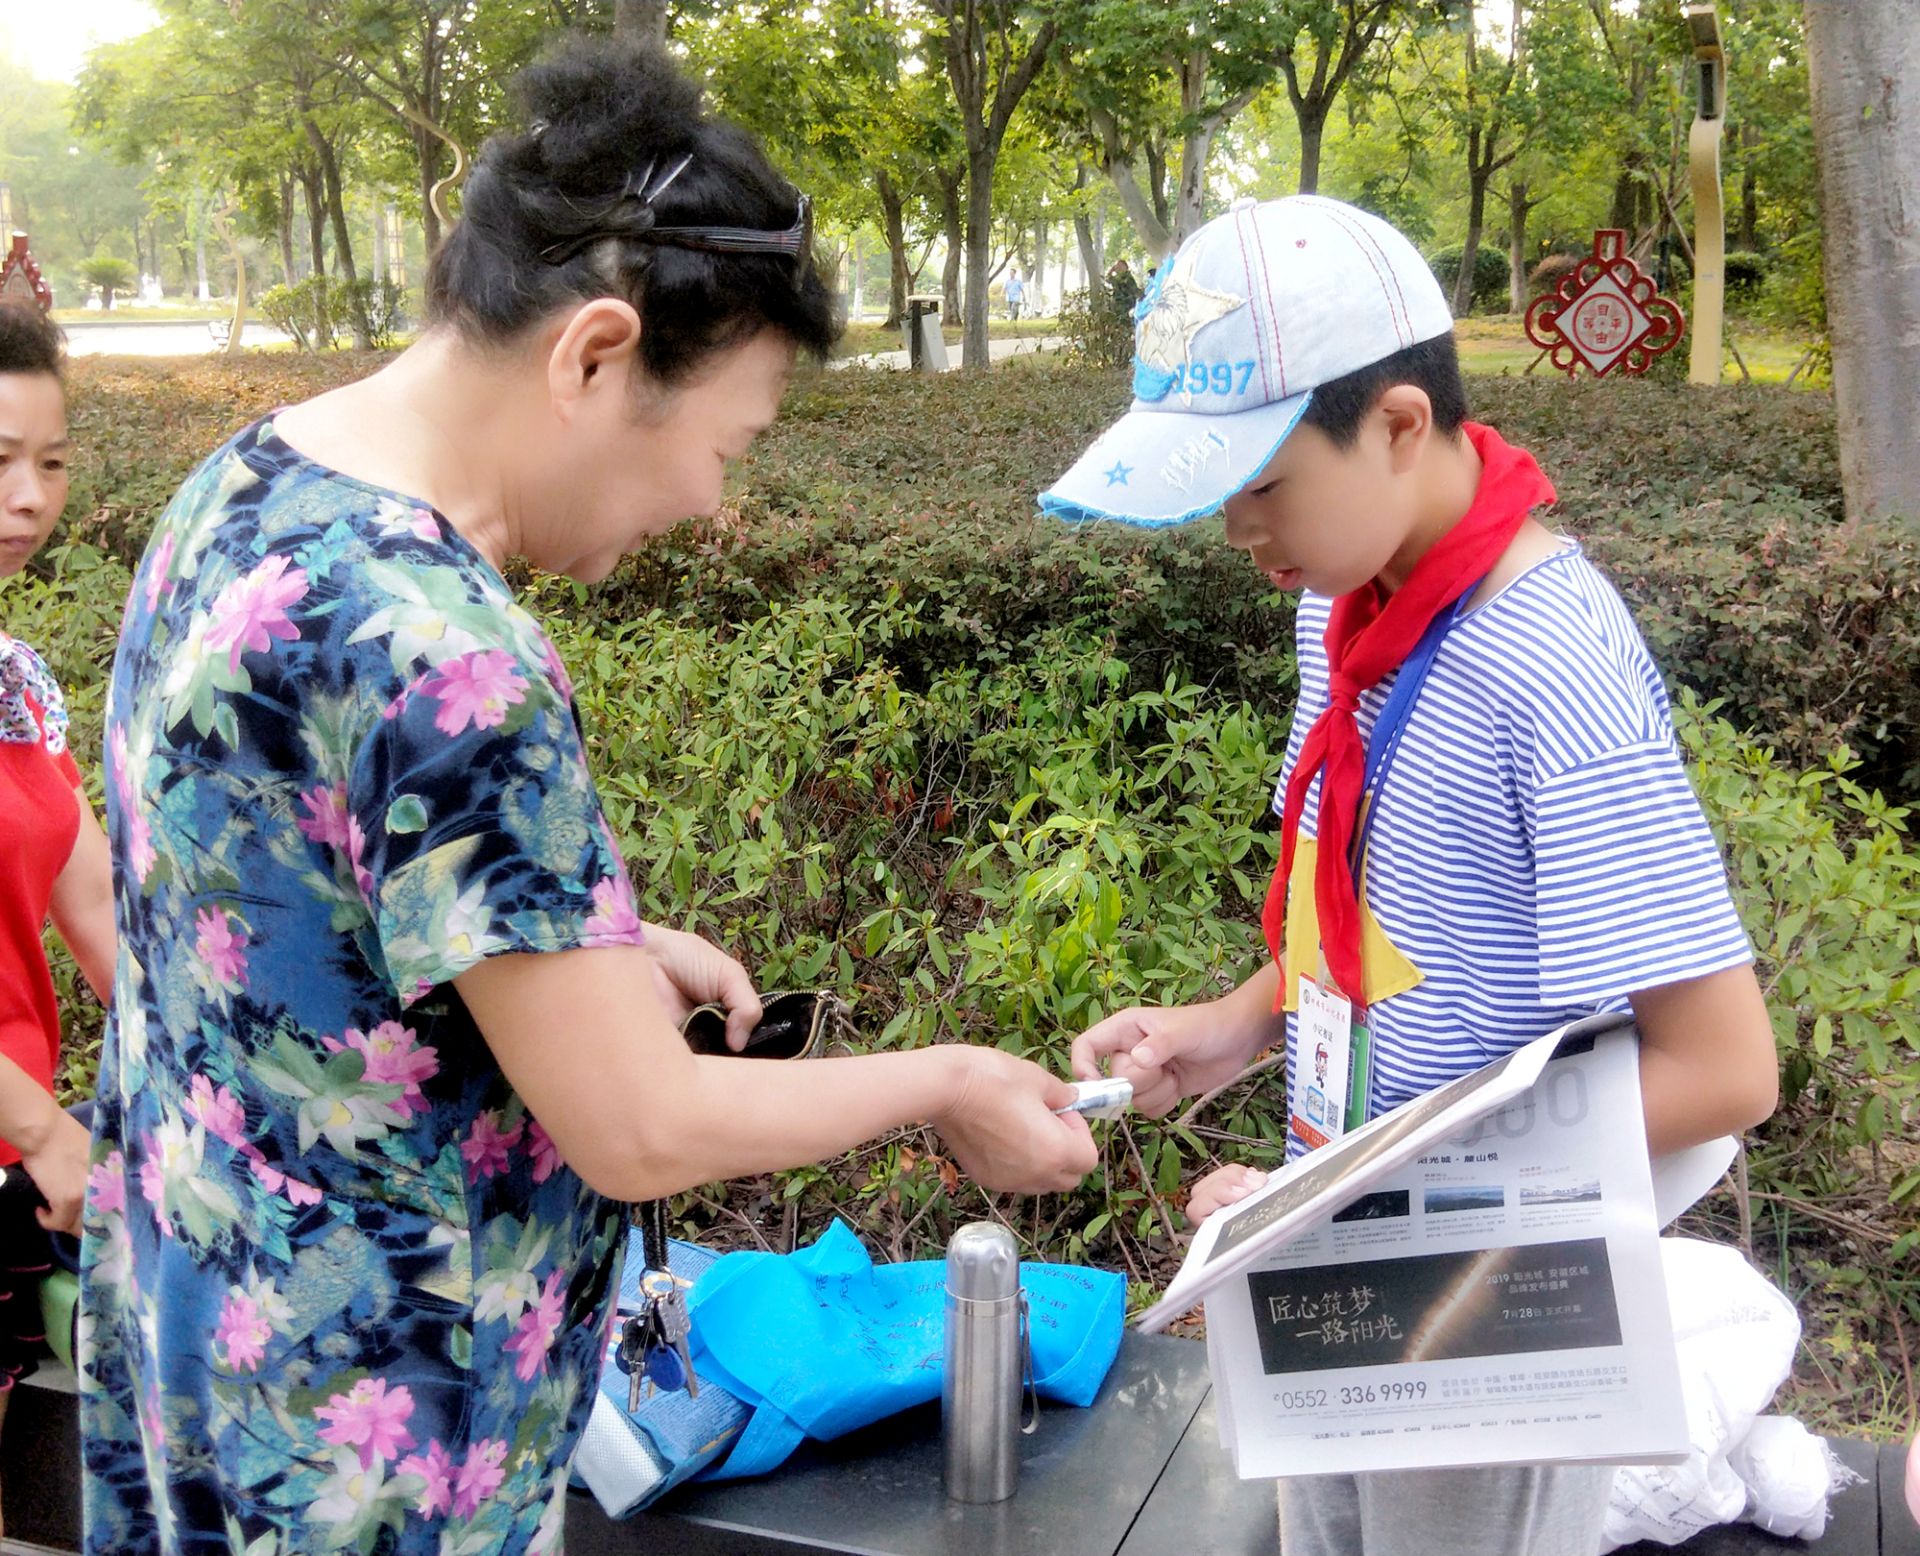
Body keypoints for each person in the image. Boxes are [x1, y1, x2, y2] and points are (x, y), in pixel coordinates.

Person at [80, 37, 1096, 1556]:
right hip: (381, 1446)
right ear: (597, 355)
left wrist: (590, 953)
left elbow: (283, 906)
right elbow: (641, 1124)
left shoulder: (238, 491)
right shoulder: (443, 648)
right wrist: (948, 1081)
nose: (712, 500)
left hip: (207, 1339)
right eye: (725, 442)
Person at [1041, 195, 1777, 1556]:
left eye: (1263, 484)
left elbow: (1725, 1068)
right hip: (1347, 1240)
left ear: (1394, 424)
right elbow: (1388, 911)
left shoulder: (1548, 660)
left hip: (1487, 1301)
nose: (1238, 531)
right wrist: (1238, 1025)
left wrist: (1361, 1194)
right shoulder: (1348, 606)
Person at [0, 303, 114, 1536]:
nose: (28, 496)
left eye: (52, 460)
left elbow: (105, 919)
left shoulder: (16, 684)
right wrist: (43, 1126)